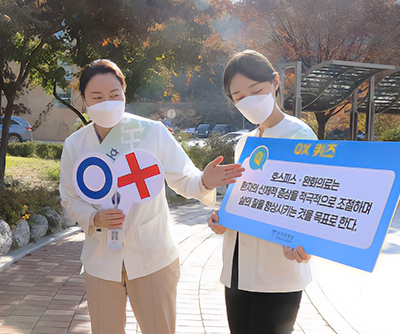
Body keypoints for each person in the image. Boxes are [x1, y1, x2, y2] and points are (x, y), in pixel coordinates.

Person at [59, 59, 244, 334]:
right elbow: (70, 198)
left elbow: (183, 177)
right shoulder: (75, 144)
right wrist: (94, 217)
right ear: (83, 99)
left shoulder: (151, 132)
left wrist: (204, 180)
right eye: (96, 97)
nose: (106, 102)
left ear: (124, 94)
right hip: (100, 260)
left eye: (114, 95)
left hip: (151, 255)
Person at [208, 50, 318, 334]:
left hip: (277, 272)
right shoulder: (244, 142)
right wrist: (222, 218)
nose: (249, 101)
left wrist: (307, 244)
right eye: (239, 96)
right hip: (237, 271)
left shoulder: (301, 136)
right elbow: (242, 197)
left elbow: (311, 202)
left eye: (256, 90)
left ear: (275, 83)